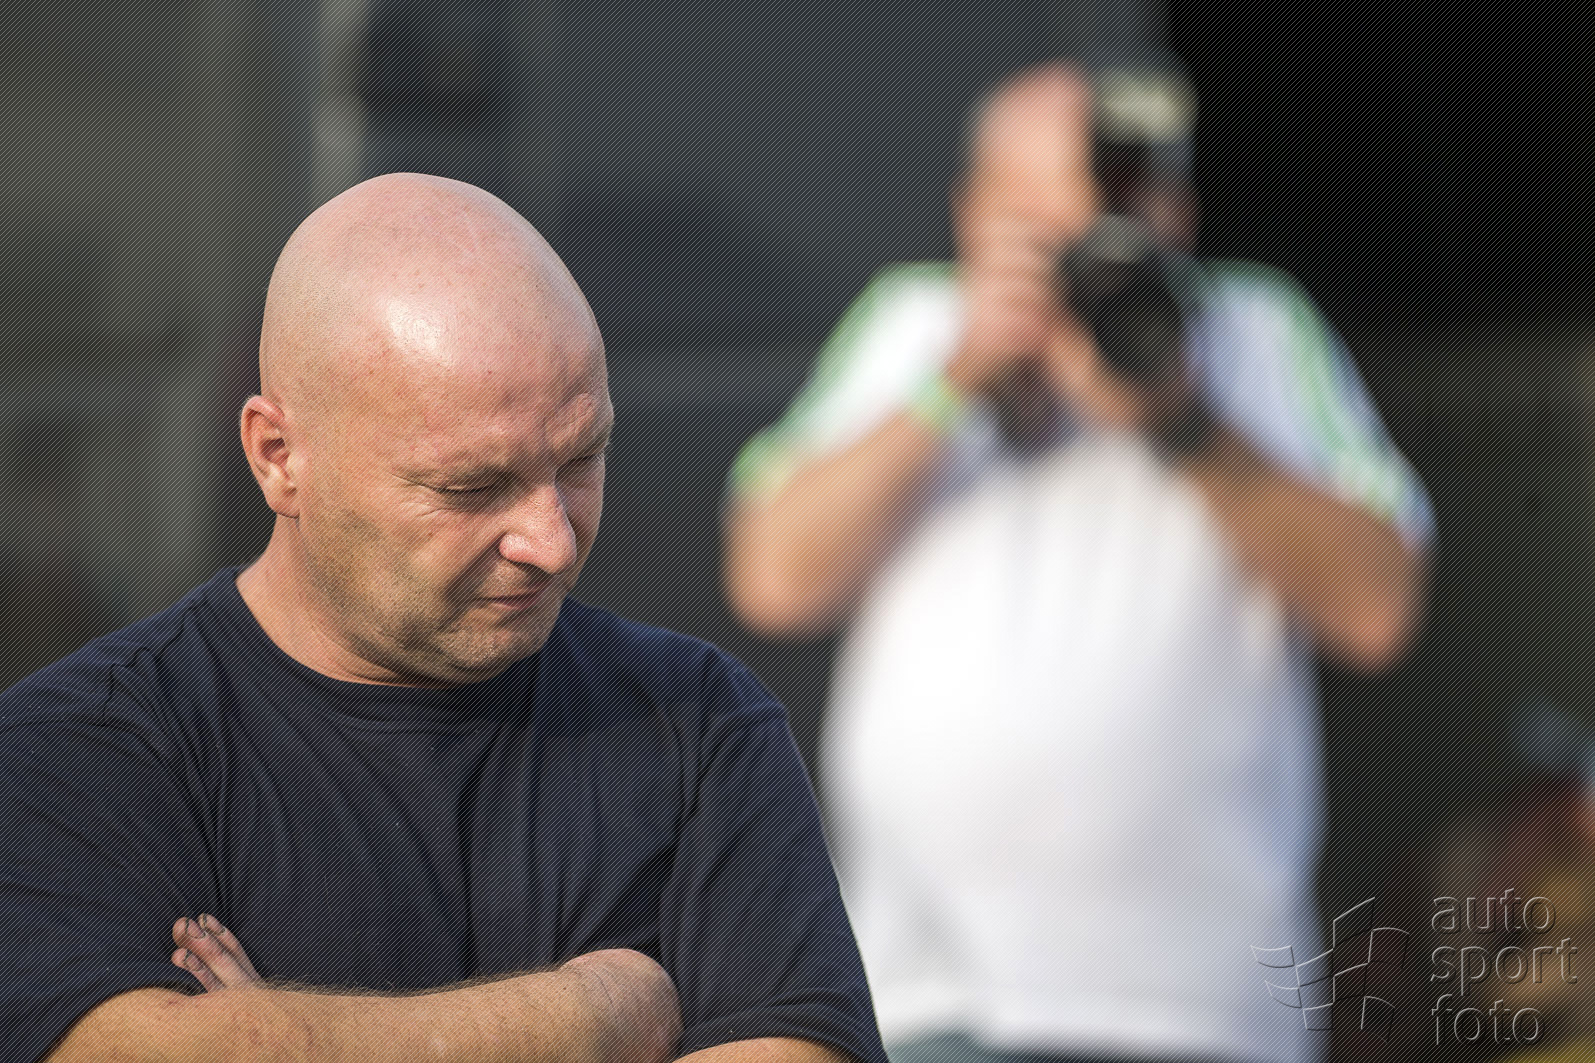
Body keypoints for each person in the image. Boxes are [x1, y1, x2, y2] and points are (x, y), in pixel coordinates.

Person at [0, 173, 889, 1063]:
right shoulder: (79, 751)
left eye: (582, 459)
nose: (551, 542)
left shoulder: (695, 720)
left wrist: (280, 1039)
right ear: (278, 456)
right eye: (472, 486)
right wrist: (593, 1015)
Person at [723, 64, 1433, 1063]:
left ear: (1175, 212)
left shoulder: (1255, 328)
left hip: (1204, 1014)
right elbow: (771, 576)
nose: (1087, 253)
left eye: (1116, 216)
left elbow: (1377, 608)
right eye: (1045, 222)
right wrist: (955, 382)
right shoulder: (912, 323)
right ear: (972, 217)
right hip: (933, 998)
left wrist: (1181, 422)